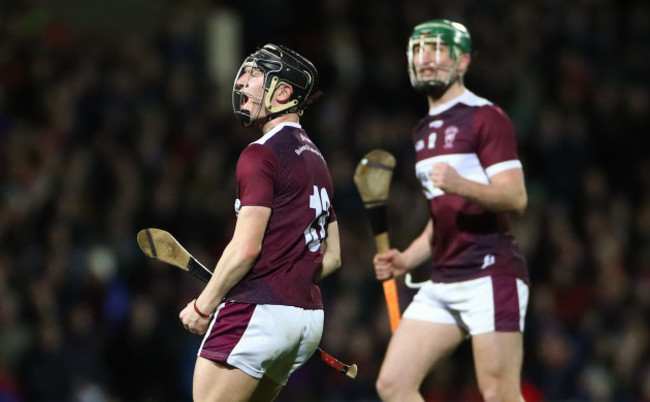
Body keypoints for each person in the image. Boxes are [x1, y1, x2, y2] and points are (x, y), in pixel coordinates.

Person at [373, 20, 530, 402]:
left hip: (489, 272)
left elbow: (516, 197)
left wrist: (460, 183)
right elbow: (441, 214)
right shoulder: (424, 129)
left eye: (437, 49)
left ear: (461, 62)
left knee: (499, 393)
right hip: (443, 279)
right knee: (393, 384)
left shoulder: (485, 116)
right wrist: (407, 259)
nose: (425, 58)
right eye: (418, 49)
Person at [179, 43, 341, 402]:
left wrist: (204, 306)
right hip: (307, 321)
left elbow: (246, 247)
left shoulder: (260, 154)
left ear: (282, 93)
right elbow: (332, 258)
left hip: (259, 313)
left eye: (254, 76)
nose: (242, 84)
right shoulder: (318, 160)